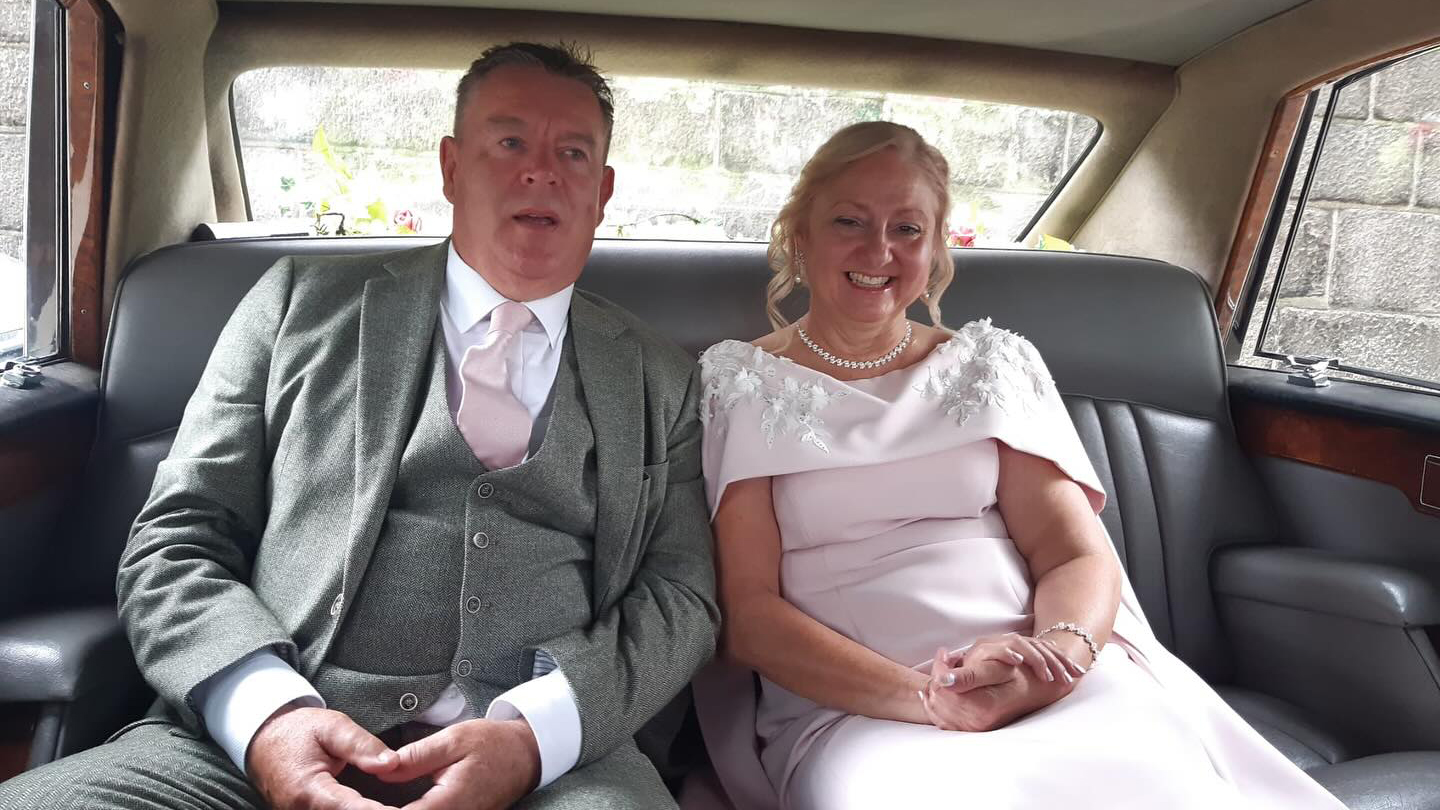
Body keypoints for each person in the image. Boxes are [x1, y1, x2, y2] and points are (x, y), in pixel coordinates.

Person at [0, 42, 717, 810]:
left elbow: (682, 596)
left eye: (572, 152)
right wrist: (269, 718)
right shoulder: (295, 307)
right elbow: (177, 539)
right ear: (450, 166)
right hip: (245, 749)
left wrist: (533, 735)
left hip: (558, 774)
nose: (540, 171)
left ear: (602, 189)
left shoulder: (660, 378)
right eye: (509, 142)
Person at [692, 121, 1346, 809]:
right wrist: (929, 698)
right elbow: (750, 612)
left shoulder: (993, 365)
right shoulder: (738, 381)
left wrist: (1056, 659)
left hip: (1042, 674)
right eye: (849, 221)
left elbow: (1075, 556)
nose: (878, 250)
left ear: (937, 245)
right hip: (858, 709)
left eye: (908, 229)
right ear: (801, 233)